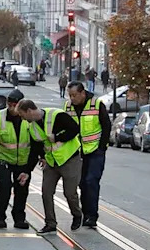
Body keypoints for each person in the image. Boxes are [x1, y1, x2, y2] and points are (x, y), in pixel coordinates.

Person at [16, 98, 83, 233]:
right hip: (51, 162)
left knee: (70, 193)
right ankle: (50, 223)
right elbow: (34, 150)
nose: (22, 119)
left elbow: (75, 129)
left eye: (22, 115)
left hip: (69, 159)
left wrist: (57, 137)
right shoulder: (32, 127)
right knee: (46, 192)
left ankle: (77, 214)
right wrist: (27, 171)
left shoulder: (57, 115)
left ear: (29, 111)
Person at [0, 88, 39, 230]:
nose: (12, 108)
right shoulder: (0, 117)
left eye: (15, 105)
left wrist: (40, 156)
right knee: (4, 187)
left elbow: (37, 141)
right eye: (10, 104)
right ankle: (0, 217)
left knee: (21, 190)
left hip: (23, 162)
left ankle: (19, 218)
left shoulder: (28, 119)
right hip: (4, 159)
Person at [64, 81, 111, 228]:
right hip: (77, 152)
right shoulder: (67, 107)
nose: (72, 99)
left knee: (91, 181)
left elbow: (106, 126)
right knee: (82, 183)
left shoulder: (96, 104)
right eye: (70, 95)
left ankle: (92, 216)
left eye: (74, 95)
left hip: (94, 151)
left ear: (83, 93)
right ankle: (85, 214)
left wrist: (102, 147)